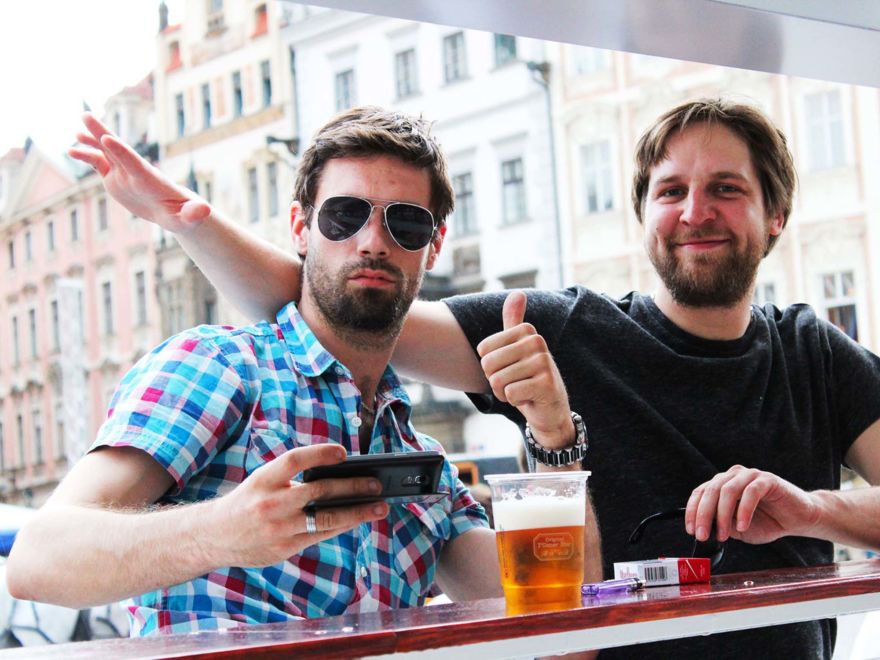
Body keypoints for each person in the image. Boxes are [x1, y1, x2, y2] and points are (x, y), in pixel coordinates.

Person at [50, 98, 880, 658]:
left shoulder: (420, 469)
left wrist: (814, 511)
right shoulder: (564, 327)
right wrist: (188, 221)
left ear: (776, 216)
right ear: (642, 213)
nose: (695, 212)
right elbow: (343, 299)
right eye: (671, 190)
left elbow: (564, 607)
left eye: (725, 190)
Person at [6, 107, 602, 637]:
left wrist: (553, 434)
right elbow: (38, 561)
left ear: (434, 244)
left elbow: (558, 623)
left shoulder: (424, 467)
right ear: (300, 227)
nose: (373, 241)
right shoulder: (222, 368)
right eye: (343, 216)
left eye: (406, 224)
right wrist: (222, 530)